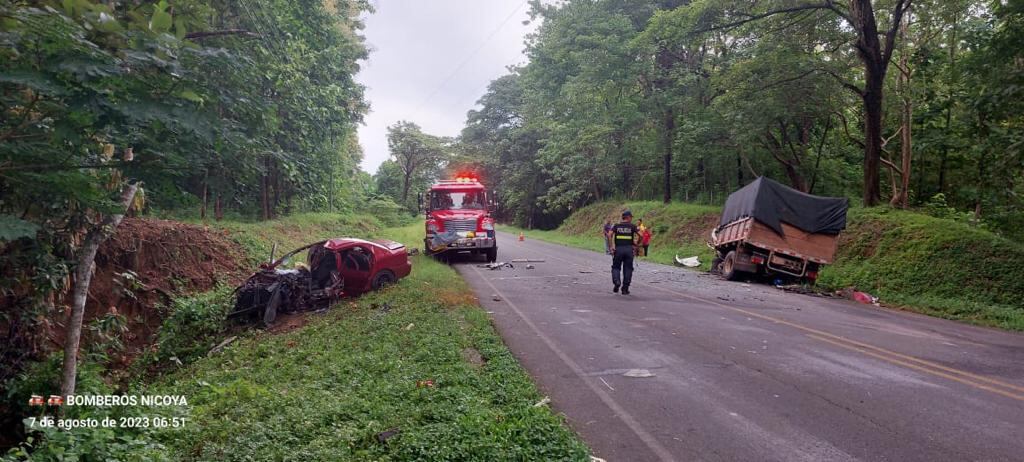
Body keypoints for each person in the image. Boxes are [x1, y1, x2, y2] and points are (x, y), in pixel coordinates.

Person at [610, 210, 639, 295]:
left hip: (618, 250)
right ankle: (625, 289)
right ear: (628, 217)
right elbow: (641, 235)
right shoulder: (632, 226)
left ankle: (617, 282)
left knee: (616, 267)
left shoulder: (616, 226)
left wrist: (612, 246)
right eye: (631, 217)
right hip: (629, 250)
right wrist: (636, 244)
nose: (631, 219)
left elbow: (609, 234)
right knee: (628, 268)